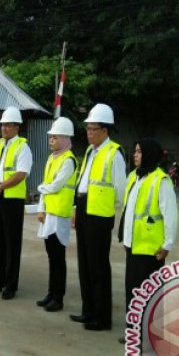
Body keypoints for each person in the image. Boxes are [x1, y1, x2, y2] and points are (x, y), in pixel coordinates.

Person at [70, 103, 126, 331]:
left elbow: (120, 190)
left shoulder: (115, 153)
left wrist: (104, 207)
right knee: (84, 264)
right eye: (88, 128)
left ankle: (102, 317)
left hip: (100, 214)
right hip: (84, 208)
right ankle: (88, 310)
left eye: (93, 129)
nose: (89, 132)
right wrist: (76, 207)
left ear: (105, 130)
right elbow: (82, 181)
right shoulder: (91, 152)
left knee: (98, 266)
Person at [118, 138, 177, 343]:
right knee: (132, 290)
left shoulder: (161, 181)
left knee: (149, 293)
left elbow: (170, 215)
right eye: (134, 151)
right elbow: (130, 211)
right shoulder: (134, 176)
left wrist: (167, 244)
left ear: (150, 154)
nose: (135, 155)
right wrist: (125, 239)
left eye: (139, 152)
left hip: (152, 248)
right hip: (134, 245)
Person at [0, 106, 32, 300]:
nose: (4, 128)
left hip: (13, 199)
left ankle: (10, 285)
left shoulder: (23, 147)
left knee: (12, 243)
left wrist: (1, 186)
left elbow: (21, 174)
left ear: (17, 127)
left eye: (8, 125)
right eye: (3, 125)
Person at [36, 117, 77, 312]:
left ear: (64, 138)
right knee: (51, 256)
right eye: (51, 137)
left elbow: (55, 185)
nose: (51, 140)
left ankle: (58, 297)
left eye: (54, 137)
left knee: (58, 257)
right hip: (49, 215)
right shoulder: (52, 158)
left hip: (60, 215)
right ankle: (51, 293)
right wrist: (41, 209)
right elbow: (47, 186)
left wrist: (41, 188)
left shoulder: (68, 160)